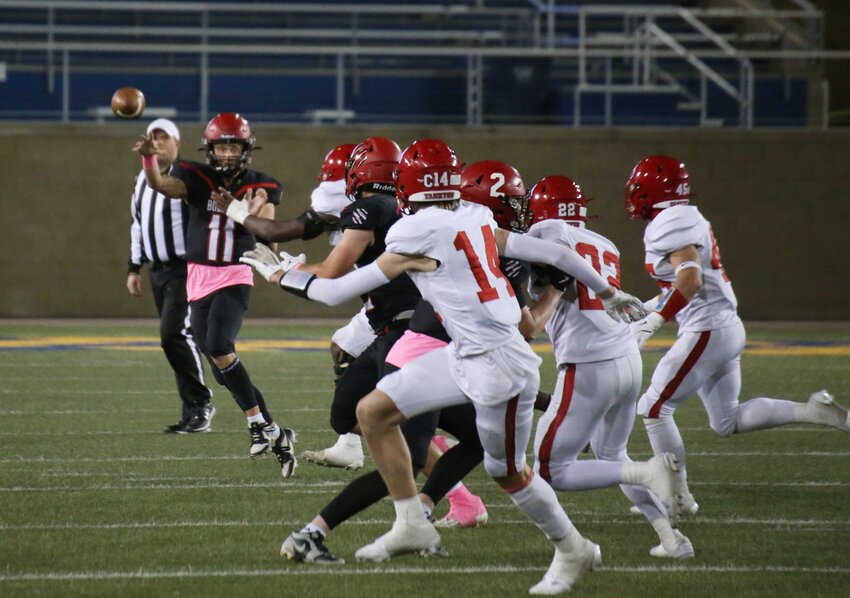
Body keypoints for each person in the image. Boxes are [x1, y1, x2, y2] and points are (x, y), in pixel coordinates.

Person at [243, 160, 649, 594]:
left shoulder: (415, 233)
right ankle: (412, 522)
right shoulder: (474, 217)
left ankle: (573, 548)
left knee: (507, 472)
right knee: (374, 411)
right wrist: (608, 293)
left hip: (501, 367)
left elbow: (333, 292)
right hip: (464, 353)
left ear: (407, 191)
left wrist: (279, 274)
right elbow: (555, 255)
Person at [625, 155, 850, 516]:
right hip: (724, 326)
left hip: (708, 328)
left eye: (638, 189)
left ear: (653, 191)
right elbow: (682, 282)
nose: (633, 196)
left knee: (653, 407)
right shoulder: (683, 216)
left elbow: (691, 280)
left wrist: (653, 320)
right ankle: (811, 411)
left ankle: (677, 497)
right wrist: (639, 307)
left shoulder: (671, 220)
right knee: (726, 420)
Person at [524, 175, 689, 558]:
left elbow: (553, 264)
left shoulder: (547, 229)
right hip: (626, 360)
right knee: (613, 456)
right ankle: (672, 539)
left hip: (589, 364)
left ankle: (649, 473)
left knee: (550, 469)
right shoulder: (605, 243)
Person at [133, 112, 296, 478]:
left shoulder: (259, 184)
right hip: (197, 277)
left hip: (234, 274)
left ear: (245, 148)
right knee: (221, 365)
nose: (225, 153)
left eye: (232, 146)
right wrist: (148, 159)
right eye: (220, 146)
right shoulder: (194, 177)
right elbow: (160, 184)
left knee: (220, 345)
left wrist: (245, 210)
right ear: (209, 148)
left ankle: (256, 423)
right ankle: (273, 429)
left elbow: (264, 216)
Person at [215, 142, 371, 469]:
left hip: (411, 311)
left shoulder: (370, 213)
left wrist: (284, 273)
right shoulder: (377, 209)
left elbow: (331, 281)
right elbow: (282, 232)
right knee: (344, 346)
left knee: (404, 401)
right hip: (387, 303)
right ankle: (352, 443)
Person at [126, 118, 214, 434]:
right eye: (153, 137)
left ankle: (201, 404)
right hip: (157, 270)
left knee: (174, 335)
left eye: (164, 137)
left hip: (183, 268)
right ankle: (192, 410)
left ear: (177, 142)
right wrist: (134, 266)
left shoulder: (186, 176)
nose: (158, 142)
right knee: (174, 340)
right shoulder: (141, 179)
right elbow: (138, 223)